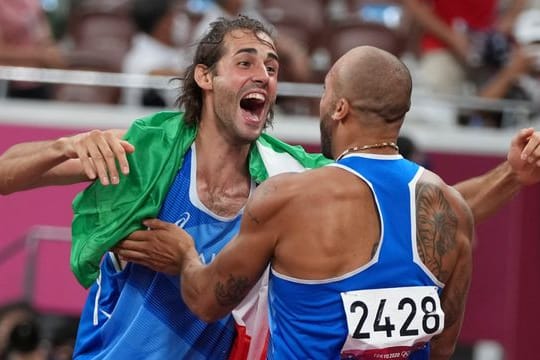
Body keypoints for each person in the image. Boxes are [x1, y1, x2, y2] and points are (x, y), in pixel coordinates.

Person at [1, 14, 540, 360]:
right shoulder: (144, 150)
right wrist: (64, 147)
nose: (264, 74)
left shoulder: (288, 174)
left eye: (274, 65)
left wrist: (509, 177)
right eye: (246, 61)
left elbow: (423, 210)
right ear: (205, 78)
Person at [121, 45, 474, 359]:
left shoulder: (290, 198)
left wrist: (185, 256)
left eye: (325, 93)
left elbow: (208, 301)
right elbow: (442, 345)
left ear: (339, 108)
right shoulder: (454, 207)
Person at [403, 0, 526, 95]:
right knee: (436, 110)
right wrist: (451, 37)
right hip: (442, 49)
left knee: (495, 108)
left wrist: (510, 18)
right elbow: (414, 4)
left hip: (488, 51)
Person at [121, 0, 193, 107]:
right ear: (162, 24)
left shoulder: (171, 49)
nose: (180, 20)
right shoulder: (141, 57)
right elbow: (153, 73)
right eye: (173, 16)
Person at [0, 0, 66, 99]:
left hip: (36, 81)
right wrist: (40, 56)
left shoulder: (33, 3)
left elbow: (46, 39)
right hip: (7, 83)